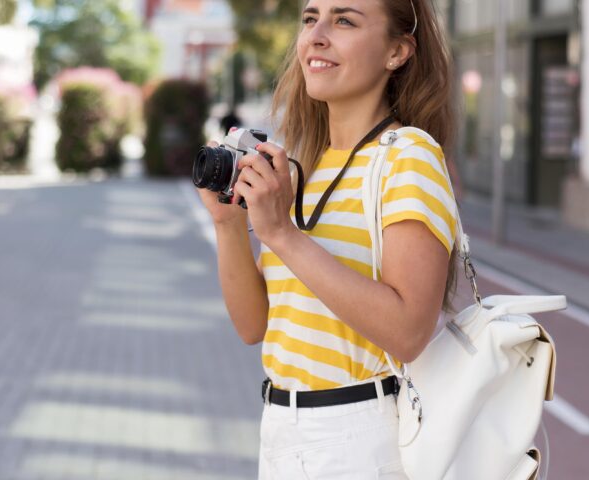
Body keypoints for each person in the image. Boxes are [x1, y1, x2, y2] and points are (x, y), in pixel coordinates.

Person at [196, 0, 457, 477]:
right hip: (281, 427)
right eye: (310, 18)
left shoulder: (409, 158)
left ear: (397, 51)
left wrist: (281, 234)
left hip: (356, 437)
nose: (316, 36)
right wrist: (228, 226)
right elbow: (256, 326)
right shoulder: (307, 164)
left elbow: (408, 332)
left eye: (344, 20)